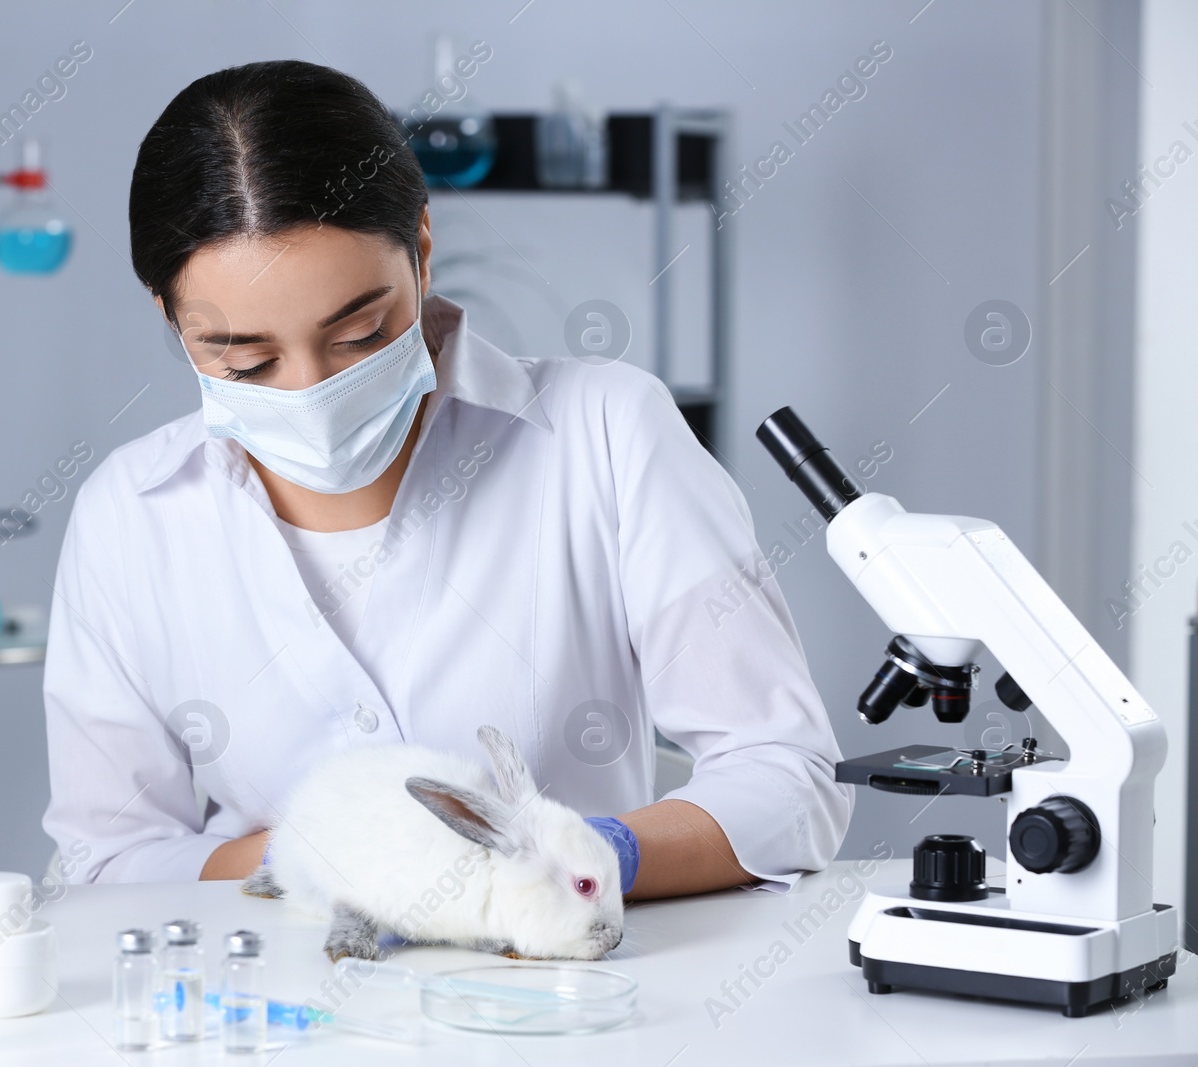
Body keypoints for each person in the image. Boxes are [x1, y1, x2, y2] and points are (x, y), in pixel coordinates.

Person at [42, 59, 852, 900]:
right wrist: (329, 854)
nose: (309, 391)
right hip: (272, 1009)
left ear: (422, 250)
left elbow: (786, 777)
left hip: (571, 1004)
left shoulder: (608, 434)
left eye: (359, 334)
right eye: (244, 359)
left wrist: (570, 857)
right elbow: (109, 859)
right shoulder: (130, 513)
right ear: (170, 317)